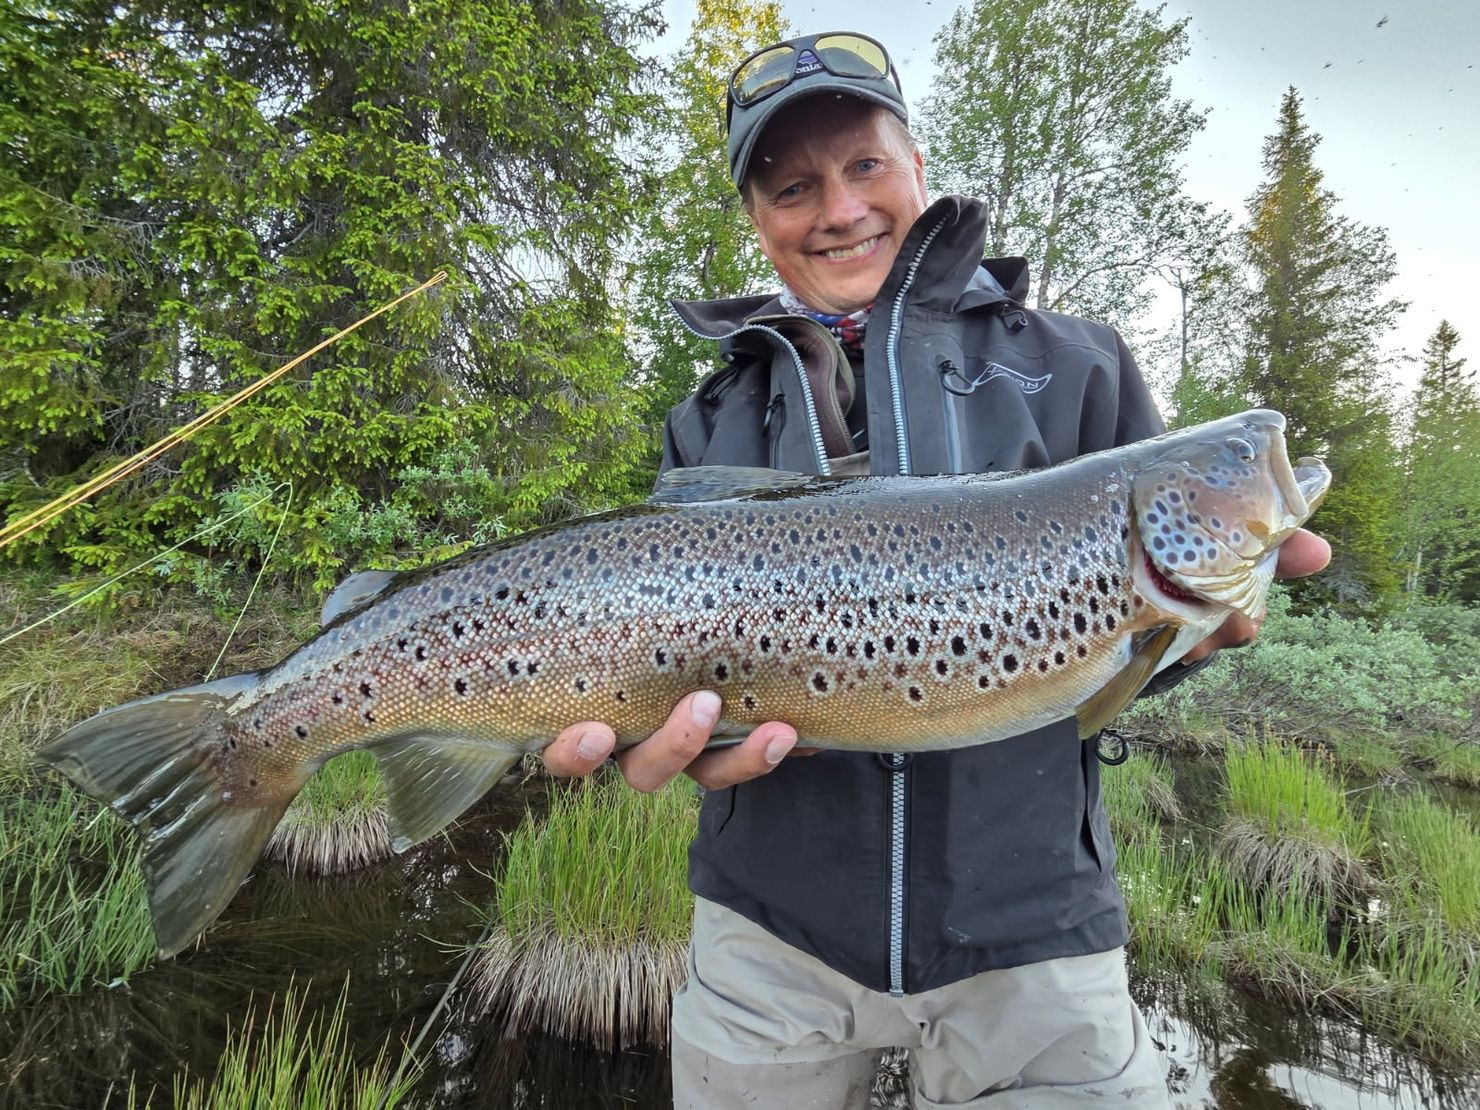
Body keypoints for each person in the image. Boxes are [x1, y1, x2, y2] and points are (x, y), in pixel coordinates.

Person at [544, 31, 1330, 1109]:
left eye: (865, 165)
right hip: (765, 938)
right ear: (758, 220)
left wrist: (1191, 637)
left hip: (1034, 936)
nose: (839, 208)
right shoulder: (708, 417)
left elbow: (1114, 681)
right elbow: (667, 685)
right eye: (792, 187)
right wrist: (667, 745)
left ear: (917, 166)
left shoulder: (1077, 365)